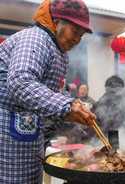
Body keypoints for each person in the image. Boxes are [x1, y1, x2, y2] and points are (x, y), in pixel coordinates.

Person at [0, 0, 96, 183]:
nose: (77, 39)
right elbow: (21, 83)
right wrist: (67, 106)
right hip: (5, 136)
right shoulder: (35, 39)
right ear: (57, 21)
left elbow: (45, 95)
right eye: (75, 31)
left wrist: (72, 111)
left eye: (81, 35)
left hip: (27, 137)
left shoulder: (58, 52)